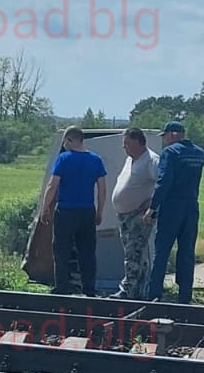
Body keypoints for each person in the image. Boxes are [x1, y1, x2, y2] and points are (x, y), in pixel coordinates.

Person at [143, 120, 204, 304]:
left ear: (171, 134)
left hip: (172, 206)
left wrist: (152, 208)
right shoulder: (199, 153)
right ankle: (184, 295)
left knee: (162, 250)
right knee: (187, 251)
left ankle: (154, 293)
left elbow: (164, 181)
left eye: (164, 136)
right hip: (192, 206)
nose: (163, 140)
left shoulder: (170, 153)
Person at [39, 126, 107, 295]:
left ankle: (62, 287)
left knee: (61, 250)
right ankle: (89, 288)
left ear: (70, 140)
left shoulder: (64, 159)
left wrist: (45, 208)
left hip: (66, 211)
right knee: (87, 251)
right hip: (87, 211)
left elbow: (52, 185)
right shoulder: (96, 160)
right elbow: (102, 188)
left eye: (65, 142)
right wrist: (99, 211)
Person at [110, 127, 159, 299]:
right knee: (136, 254)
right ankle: (139, 290)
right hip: (124, 216)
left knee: (133, 253)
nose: (124, 147)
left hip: (139, 216)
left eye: (127, 144)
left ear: (139, 142)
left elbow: (162, 182)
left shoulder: (151, 160)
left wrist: (151, 203)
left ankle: (128, 290)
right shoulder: (131, 160)